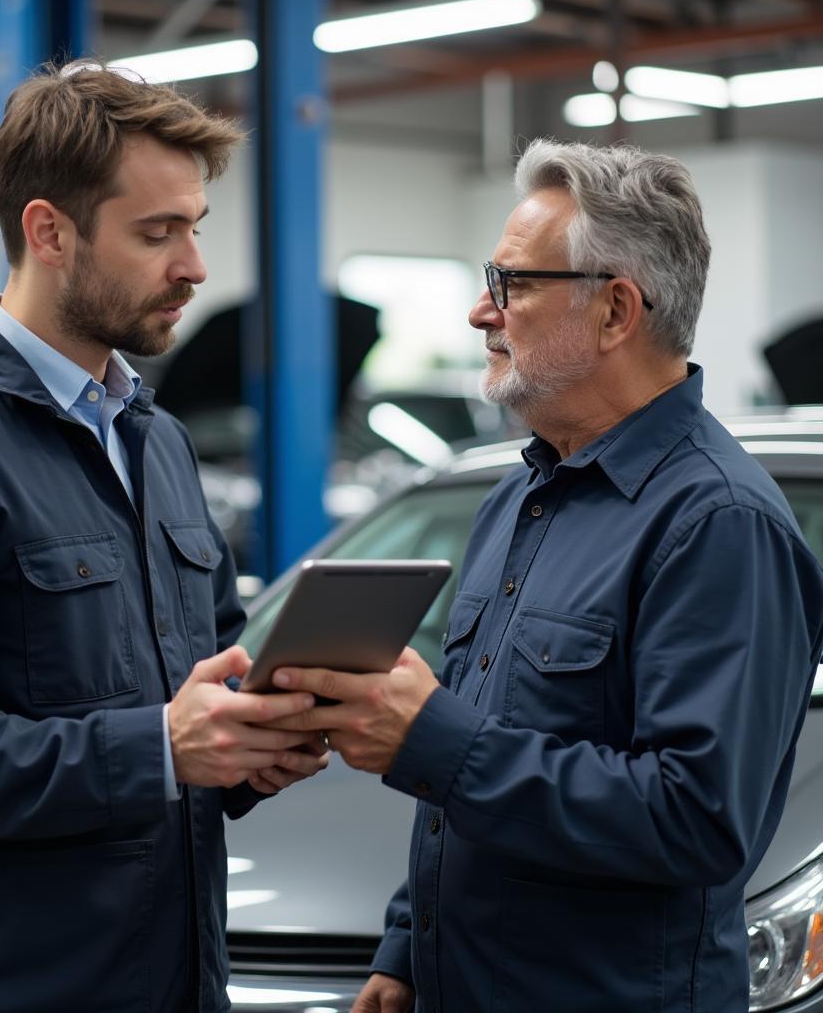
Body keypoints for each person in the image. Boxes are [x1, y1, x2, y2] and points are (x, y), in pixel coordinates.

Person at [0, 60, 327, 1013]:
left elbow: (189, 694)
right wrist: (163, 750)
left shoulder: (154, 440)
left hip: (174, 977)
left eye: (195, 230)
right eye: (157, 233)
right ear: (49, 231)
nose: (195, 268)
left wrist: (249, 748)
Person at [269, 140, 823, 1012]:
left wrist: (435, 744)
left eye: (512, 285)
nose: (479, 314)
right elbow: (485, 734)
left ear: (615, 311)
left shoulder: (718, 525)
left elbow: (697, 820)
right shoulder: (521, 497)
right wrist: (409, 946)